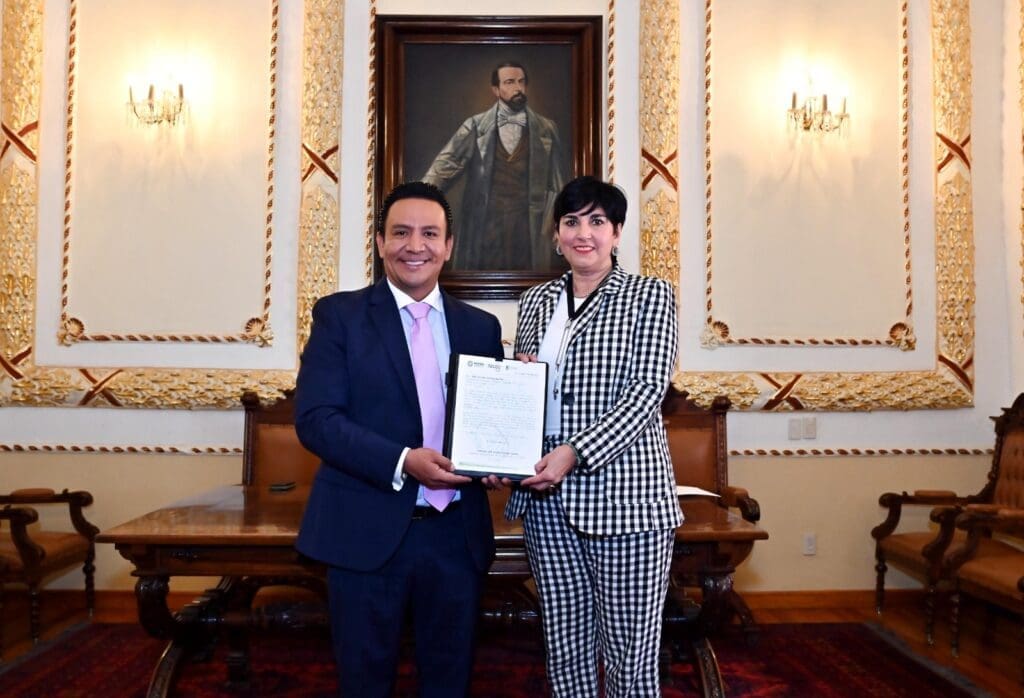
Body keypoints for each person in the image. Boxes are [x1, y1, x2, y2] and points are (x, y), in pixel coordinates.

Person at [294, 181, 505, 697]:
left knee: (450, 681)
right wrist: (404, 460)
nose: (416, 246)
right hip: (364, 531)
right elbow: (316, 418)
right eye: (401, 232)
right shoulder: (339, 317)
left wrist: (503, 453)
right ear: (380, 242)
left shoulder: (480, 327)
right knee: (364, 682)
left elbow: (489, 424)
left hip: (456, 536)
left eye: (430, 234)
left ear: (449, 245)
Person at [506, 176, 681, 696]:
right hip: (546, 503)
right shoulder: (535, 301)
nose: (584, 233)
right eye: (571, 221)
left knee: (630, 657)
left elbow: (645, 393)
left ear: (617, 232)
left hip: (626, 501)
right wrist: (508, 448)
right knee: (565, 648)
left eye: (597, 221)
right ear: (556, 234)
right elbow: (525, 390)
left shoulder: (650, 296)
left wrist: (574, 452)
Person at [422, 61, 566, 272]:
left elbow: (558, 185)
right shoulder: (475, 126)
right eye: (509, 82)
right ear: (496, 90)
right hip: (485, 226)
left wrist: (560, 225)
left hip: (528, 227)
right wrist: (414, 200)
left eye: (521, 82)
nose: (518, 88)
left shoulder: (547, 129)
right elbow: (443, 169)